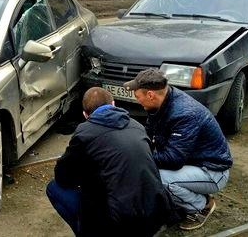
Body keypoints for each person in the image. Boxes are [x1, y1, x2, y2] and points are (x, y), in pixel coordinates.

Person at [47, 87, 176, 236]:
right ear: (114, 104)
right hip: (155, 215)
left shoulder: (85, 133)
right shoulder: (137, 126)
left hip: (119, 223)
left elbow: (62, 177)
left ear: (85, 115)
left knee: (54, 188)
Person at [124, 69, 233, 231]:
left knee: (161, 179)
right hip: (193, 161)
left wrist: (140, 158)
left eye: (137, 95)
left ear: (150, 95)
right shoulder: (162, 103)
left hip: (213, 171)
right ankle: (191, 195)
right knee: (152, 171)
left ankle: (201, 206)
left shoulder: (184, 114)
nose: (136, 99)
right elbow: (150, 134)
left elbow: (173, 160)